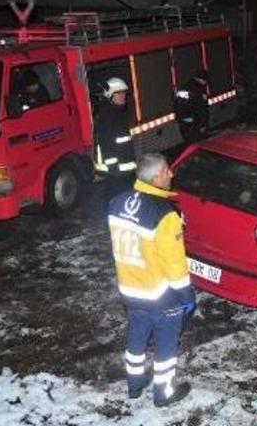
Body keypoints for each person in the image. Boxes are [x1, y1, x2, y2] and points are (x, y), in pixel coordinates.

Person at [107, 153, 195, 407]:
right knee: (166, 345)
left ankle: (134, 384)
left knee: (136, 336)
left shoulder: (117, 202)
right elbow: (174, 262)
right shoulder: (165, 214)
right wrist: (186, 295)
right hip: (160, 294)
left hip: (130, 289)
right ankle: (163, 393)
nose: (171, 174)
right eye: (167, 170)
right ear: (156, 177)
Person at [95, 77, 137, 203]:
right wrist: (113, 167)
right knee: (116, 197)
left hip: (123, 167)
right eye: (120, 93)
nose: (123, 96)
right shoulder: (107, 114)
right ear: (110, 95)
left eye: (124, 93)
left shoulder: (116, 111)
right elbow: (106, 142)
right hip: (116, 169)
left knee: (124, 196)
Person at [175, 69, 210, 143]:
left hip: (184, 121)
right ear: (201, 79)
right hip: (195, 123)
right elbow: (202, 109)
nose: (206, 83)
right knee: (198, 142)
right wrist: (203, 125)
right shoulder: (199, 91)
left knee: (188, 141)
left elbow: (178, 104)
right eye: (205, 81)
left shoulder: (183, 88)